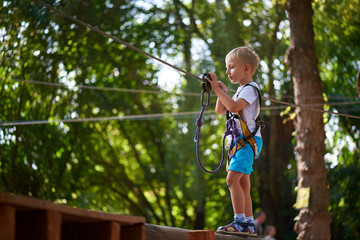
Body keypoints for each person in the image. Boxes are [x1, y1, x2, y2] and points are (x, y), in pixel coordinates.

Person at [206, 47, 263, 236]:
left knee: (232, 179)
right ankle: (248, 222)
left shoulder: (250, 89)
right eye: (226, 67)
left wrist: (217, 90)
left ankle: (239, 221)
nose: (227, 71)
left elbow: (234, 106)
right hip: (241, 142)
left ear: (246, 69)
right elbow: (222, 110)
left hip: (247, 141)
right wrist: (221, 91)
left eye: (231, 67)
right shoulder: (240, 90)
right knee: (243, 182)